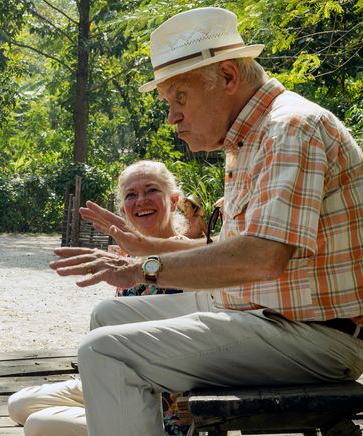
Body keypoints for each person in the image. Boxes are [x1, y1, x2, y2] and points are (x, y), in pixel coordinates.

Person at [50, 7, 363, 436]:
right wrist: (149, 248)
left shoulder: (291, 128)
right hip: (267, 313)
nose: (172, 117)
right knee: (108, 316)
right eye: (168, 102)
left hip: (316, 335)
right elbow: (237, 250)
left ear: (229, 77)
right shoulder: (251, 138)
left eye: (180, 98)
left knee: (107, 352)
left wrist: (145, 268)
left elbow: (261, 258)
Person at [8, 161, 188, 436]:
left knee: (37, 424)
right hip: (115, 374)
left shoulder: (192, 258)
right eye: (131, 195)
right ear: (123, 208)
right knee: (19, 404)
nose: (141, 200)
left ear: (173, 201)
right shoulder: (125, 259)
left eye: (151, 190)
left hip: (158, 395)